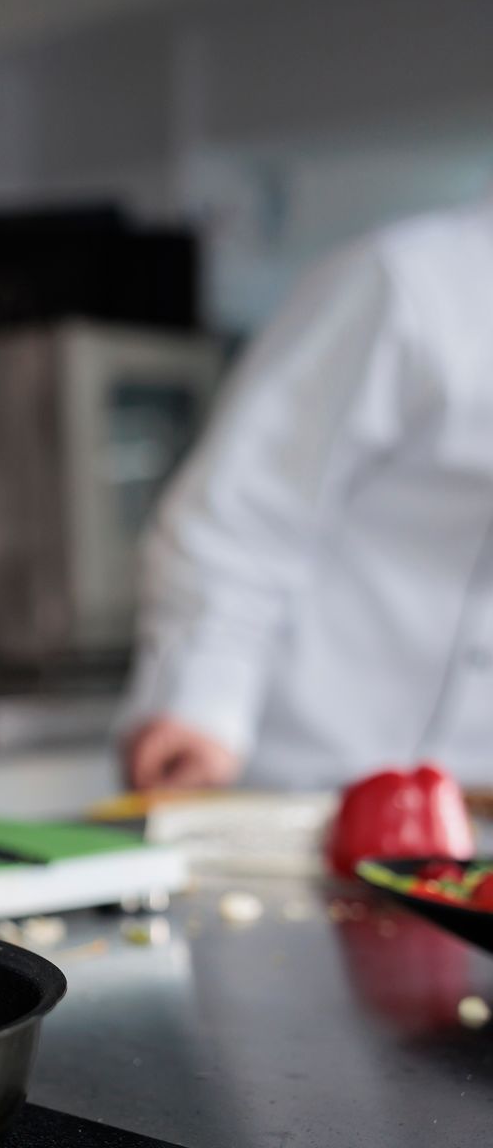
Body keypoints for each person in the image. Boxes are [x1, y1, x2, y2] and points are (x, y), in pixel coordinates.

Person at [119, 190, 493, 793]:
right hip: (301, 794)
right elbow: (244, 513)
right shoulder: (408, 284)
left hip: (473, 825)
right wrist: (197, 705)